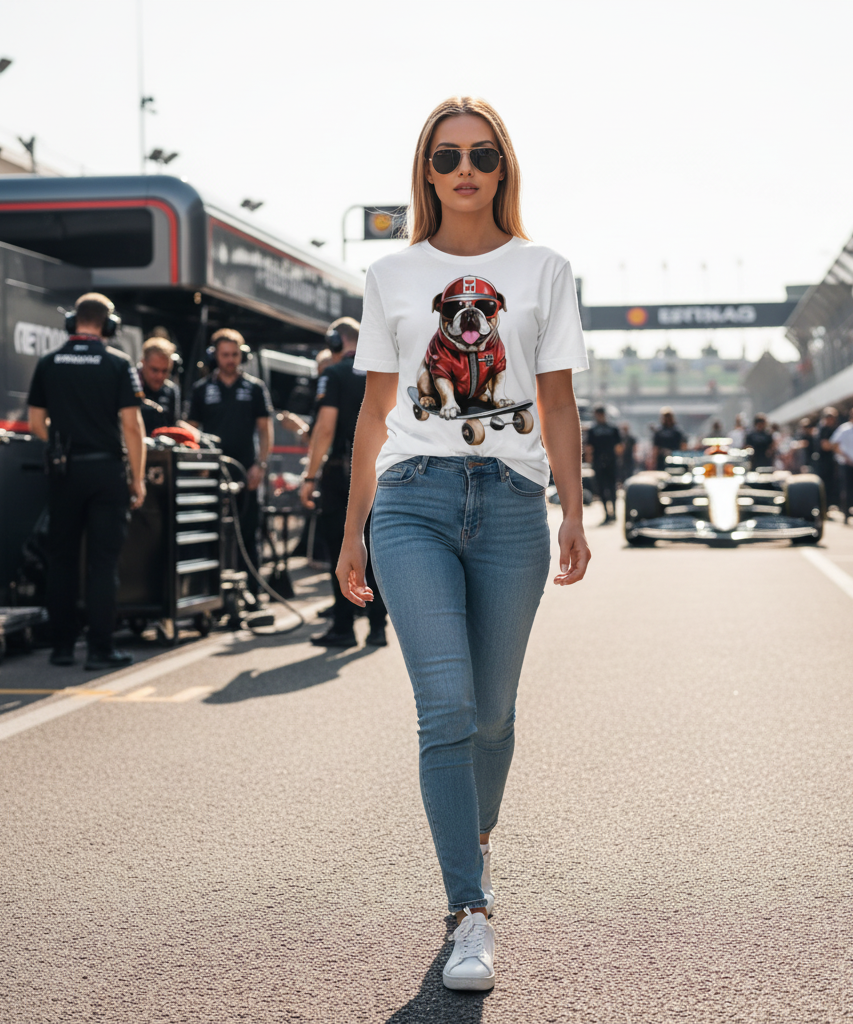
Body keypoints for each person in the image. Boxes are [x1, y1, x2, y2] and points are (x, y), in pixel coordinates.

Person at [335, 96, 590, 991]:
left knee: (492, 715)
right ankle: (469, 911)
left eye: (483, 154)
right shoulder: (391, 276)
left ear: (505, 165)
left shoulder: (545, 269)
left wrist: (573, 509)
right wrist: (353, 528)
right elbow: (374, 410)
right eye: (447, 157)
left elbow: (557, 402)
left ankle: (474, 840)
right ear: (427, 171)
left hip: (514, 502)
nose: (466, 169)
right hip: (412, 502)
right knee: (445, 705)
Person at [26, 293, 145, 670]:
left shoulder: (49, 362)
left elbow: (34, 424)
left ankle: (62, 648)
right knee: (102, 563)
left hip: (65, 472)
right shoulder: (117, 363)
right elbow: (132, 425)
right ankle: (100, 649)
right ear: (109, 325)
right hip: (106, 472)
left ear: (72, 322)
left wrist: (62, 444)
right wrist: (137, 479)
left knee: (60, 560)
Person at [298, 317, 389, 648]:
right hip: (382, 472)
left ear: (337, 342)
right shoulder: (383, 372)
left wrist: (310, 476)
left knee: (344, 549)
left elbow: (324, 428)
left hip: (341, 476)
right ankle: (378, 627)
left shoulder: (333, 374)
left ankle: (343, 626)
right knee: (375, 550)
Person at [186, 329, 273, 596]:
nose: (230, 360)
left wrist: (261, 464)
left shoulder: (255, 387)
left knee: (249, 535)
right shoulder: (202, 389)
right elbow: (190, 431)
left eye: (235, 354)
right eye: (225, 355)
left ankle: (254, 594)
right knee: (210, 533)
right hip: (212, 472)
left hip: (247, 471)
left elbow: (265, 429)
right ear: (215, 355)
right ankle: (210, 595)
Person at [137, 336, 194, 437]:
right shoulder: (130, 385)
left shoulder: (171, 390)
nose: (159, 376)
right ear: (143, 363)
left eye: (165, 371)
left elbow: (174, 425)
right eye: (154, 370)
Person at [584, 405, 621, 524]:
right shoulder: (610, 429)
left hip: (604, 462)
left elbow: (619, 447)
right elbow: (589, 448)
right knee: (603, 488)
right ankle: (608, 513)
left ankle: (612, 513)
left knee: (610, 488)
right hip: (605, 461)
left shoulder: (597, 429)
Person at [813, 407, 839, 506]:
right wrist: (836, 446)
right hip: (823, 463)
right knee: (824, 486)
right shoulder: (823, 429)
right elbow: (825, 446)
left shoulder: (831, 429)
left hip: (830, 463)